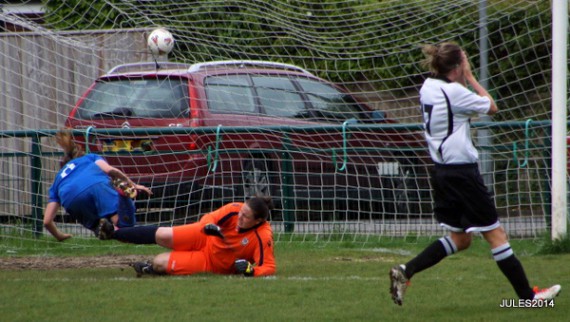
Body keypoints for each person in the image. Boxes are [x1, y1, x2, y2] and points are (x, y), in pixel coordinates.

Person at [389, 42, 561, 305]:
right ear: (459, 66)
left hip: (441, 172)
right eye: (464, 63)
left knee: (460, 239)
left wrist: (461, 78)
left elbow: (462, 106)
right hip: (462, 173)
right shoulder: (455, 93)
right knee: (496, 235)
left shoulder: (428, 87)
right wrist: (470, 77)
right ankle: (529, 297)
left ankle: (406, 271)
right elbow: (492, 107)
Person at [100, 197, 276, 278]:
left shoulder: (263, 236)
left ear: (258, 221)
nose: (240, 217)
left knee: (159, 262)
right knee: (163, 234)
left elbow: (268, 266)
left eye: (245, 217)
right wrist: (209, 226)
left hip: (210, 262)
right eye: (241, 212)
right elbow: (209, 218)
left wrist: (251, 270)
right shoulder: (234, 209)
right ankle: (113, 233)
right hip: (204, 237)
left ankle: (150, 268)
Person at [43, 129, 152, 241]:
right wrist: (133, 185)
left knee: (97, 225)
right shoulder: (89, 158)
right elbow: (110, 170)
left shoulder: (58, 179)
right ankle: (122, 196)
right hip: (97, 184)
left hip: (70, 197)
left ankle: (101, 227)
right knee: (125, 225)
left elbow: (47, 221)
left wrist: (60, 236)